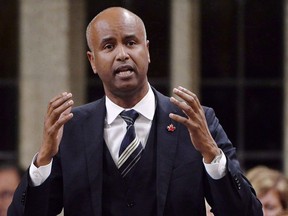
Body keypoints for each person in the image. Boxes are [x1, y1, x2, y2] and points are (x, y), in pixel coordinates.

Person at [8, 7, 263, 216]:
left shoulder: (196, 121)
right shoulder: (71, 129)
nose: (122, 54)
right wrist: (43, 161)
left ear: (148, 51)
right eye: (108, 46)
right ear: (92, 61)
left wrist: (211, 154)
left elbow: (248, 212)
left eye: (131, 42)